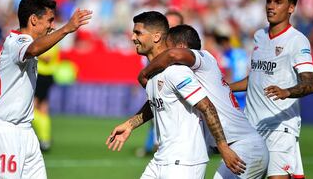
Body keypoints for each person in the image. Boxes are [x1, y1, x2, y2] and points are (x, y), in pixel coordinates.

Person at [106, 11, 245, 179]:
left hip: (184, 162)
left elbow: (207, 107)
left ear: (156, 36)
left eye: (138, 33)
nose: (133, 38)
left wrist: (223, 148)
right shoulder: (154, 72)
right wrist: (130, 125)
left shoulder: (176, 71)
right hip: (161, 159)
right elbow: (156, 103)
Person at [0, 0, 92, 179]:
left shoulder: (26, 43)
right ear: (33, 19)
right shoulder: (15, 42)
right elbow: (32, 49)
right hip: (5, 133)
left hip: (26, 132)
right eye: (49, 20)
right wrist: (67, 29)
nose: (51, 26)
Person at [138, 24, 269, 179]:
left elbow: (173, 55)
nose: (163, 55)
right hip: (241, 147)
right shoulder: (187, 77)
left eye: (166, 48)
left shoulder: (203, 57)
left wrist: (144, 73)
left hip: (244, 148)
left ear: (182, 47)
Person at [229, 0, 313, 179]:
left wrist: (286, 92)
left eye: (278, 2)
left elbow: (310, 84)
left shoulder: (297, 40)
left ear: (291, 7)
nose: (270, 6)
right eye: (268, 1)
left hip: (279, 127)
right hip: (252, 126)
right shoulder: (259, 36)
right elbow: (256, 79)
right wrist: (224, 87)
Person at [137, 9, 185, 157]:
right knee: (156, 110)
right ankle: (152, 146)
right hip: (160, 93)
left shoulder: (185, 53)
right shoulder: (151, 50)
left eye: (174, 24)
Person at [32, 44, 60, 151]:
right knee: (42, 109)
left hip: (43, 76)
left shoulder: (50, 42)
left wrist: (31, 52)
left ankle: (44, 139)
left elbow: (47, 58)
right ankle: (45, 138)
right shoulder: (47, 40)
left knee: (33, 107)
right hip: (42, 76)